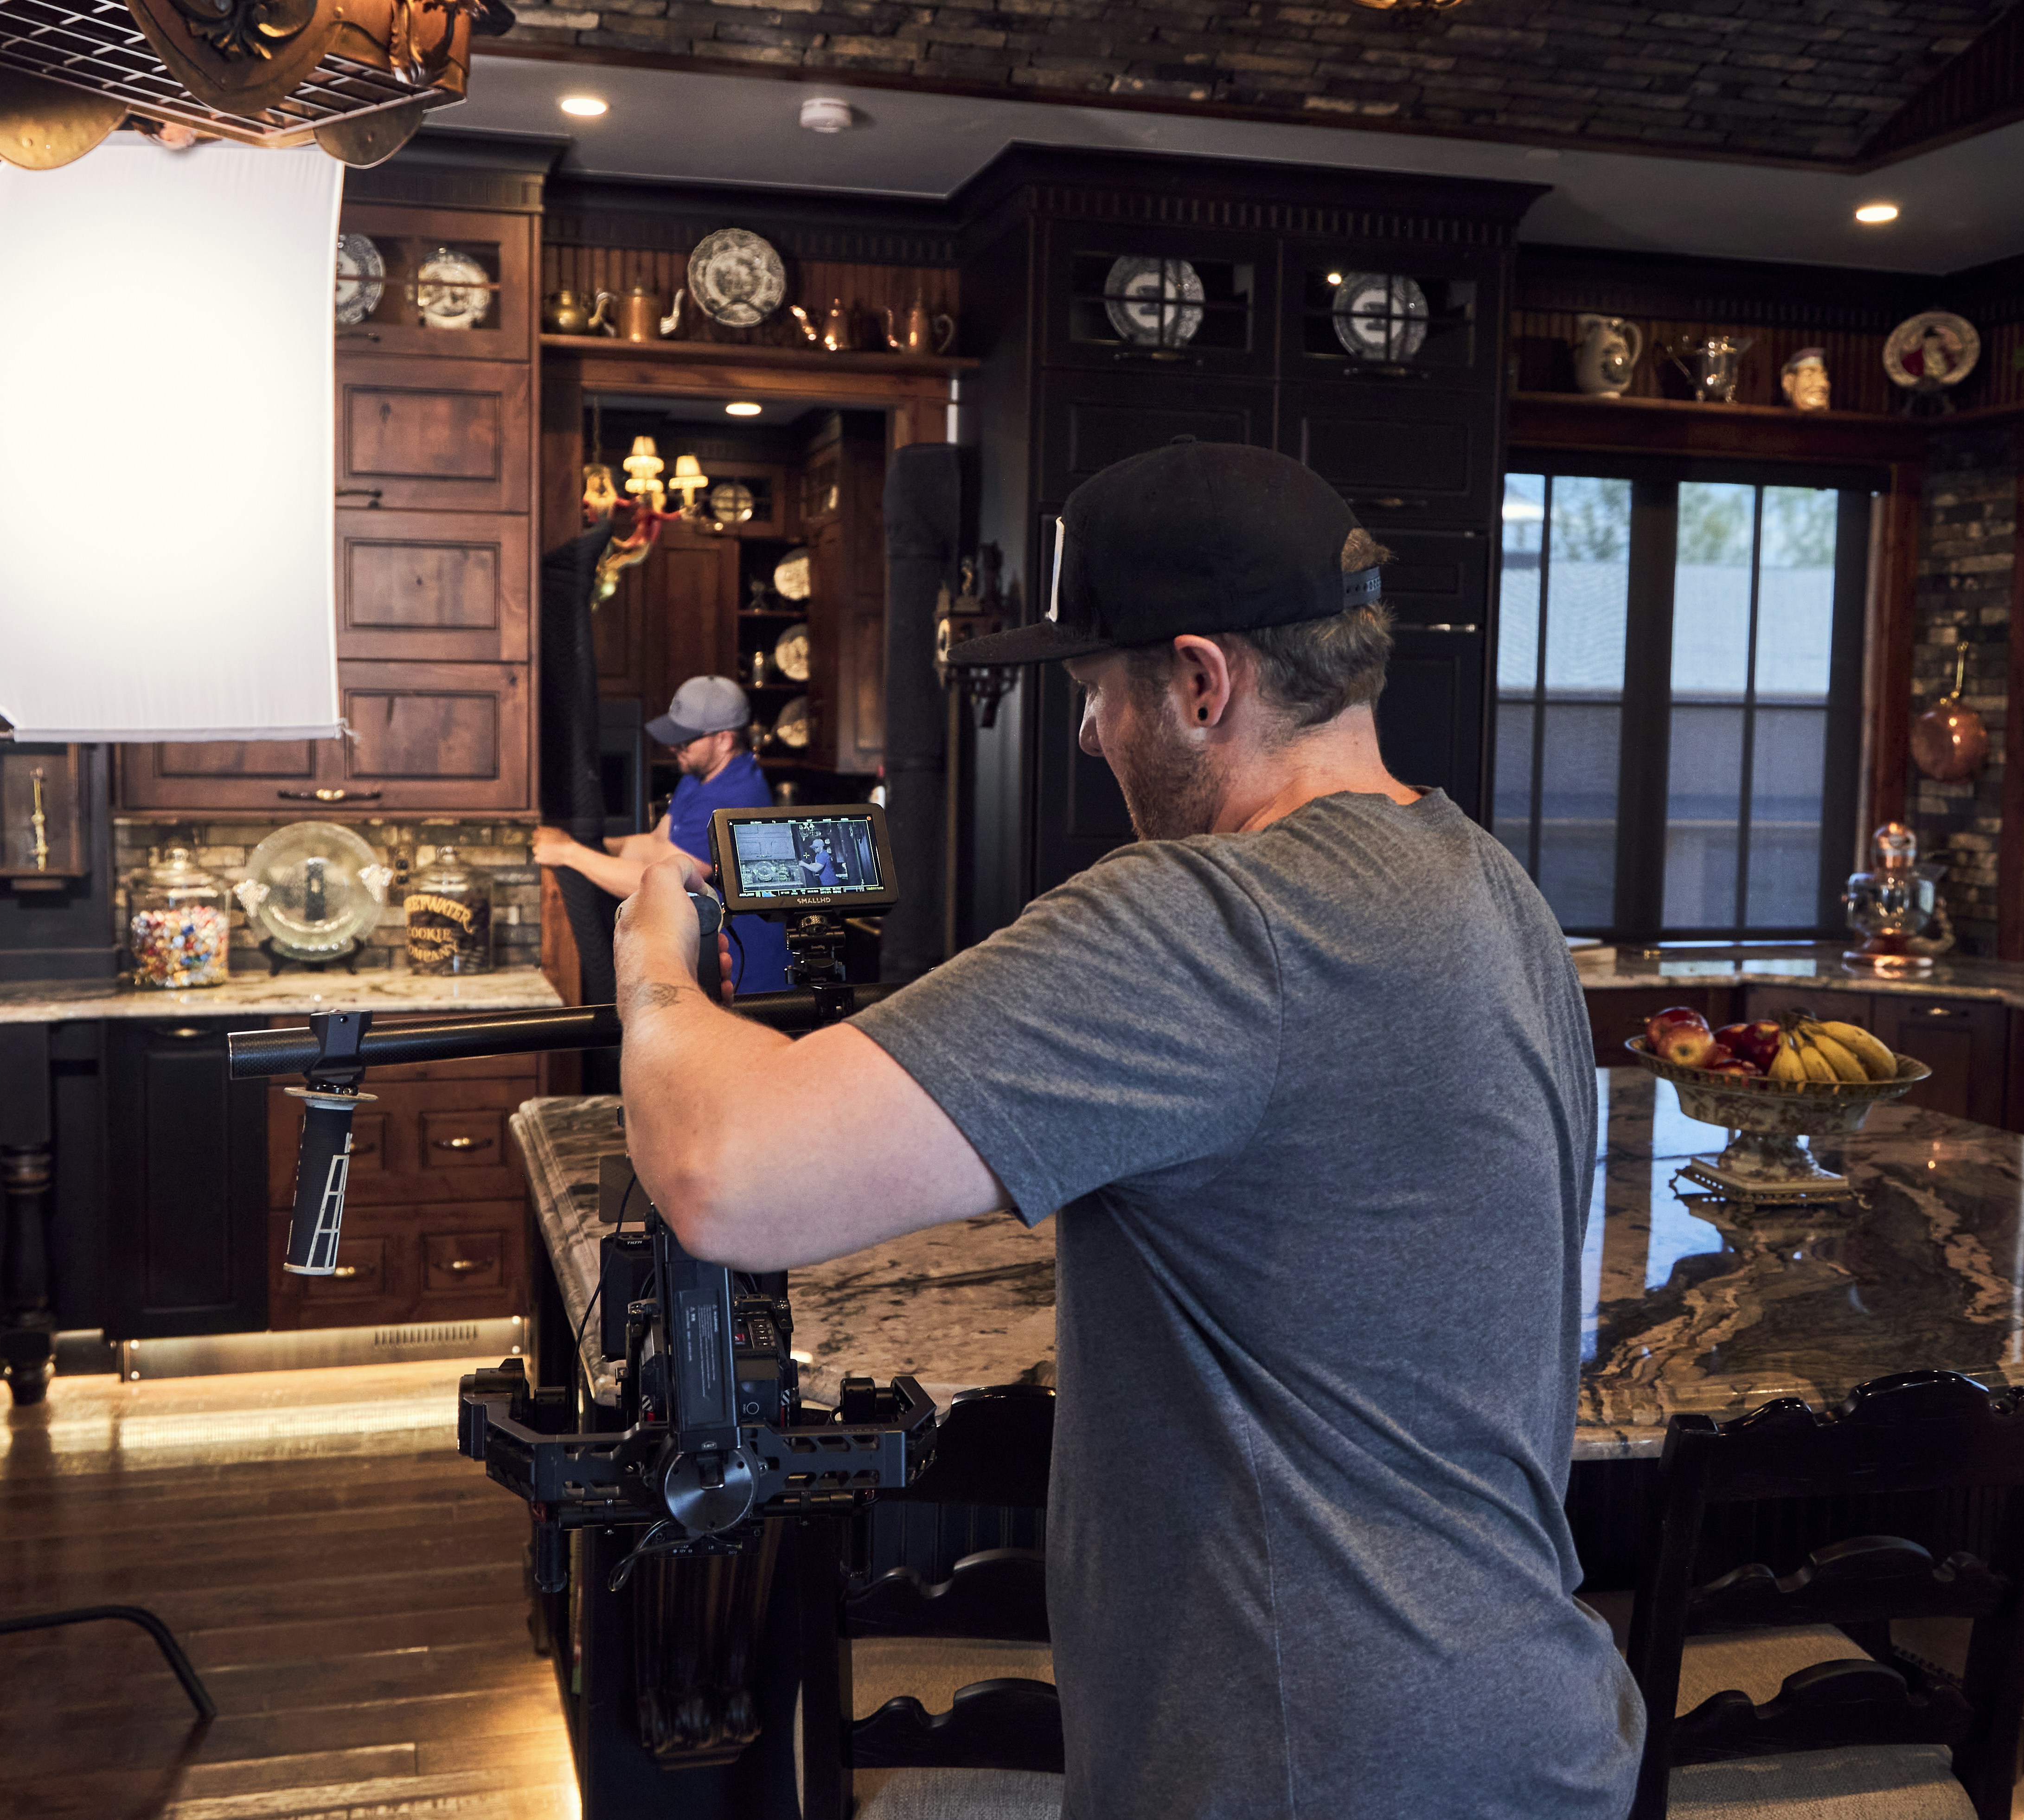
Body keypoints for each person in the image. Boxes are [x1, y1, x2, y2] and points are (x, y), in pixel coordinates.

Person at [605, 440, 1642, 1819]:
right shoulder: (1486, 883)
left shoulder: (1216, 919)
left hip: (1316, 1768)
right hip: (1517, 1727)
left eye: (1097, 691)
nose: (1090, 734)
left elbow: (724, 1172)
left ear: (1204, 682)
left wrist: (652, 950)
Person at [533, 673, 788, 993]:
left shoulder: (735, 796)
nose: (673, 747)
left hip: (745, 978)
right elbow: (657, 846)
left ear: (724, 740)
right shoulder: (700, 775)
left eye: (685, 740)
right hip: (709, 962)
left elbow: (664, 885)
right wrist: (589, 842)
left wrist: (570, 853)